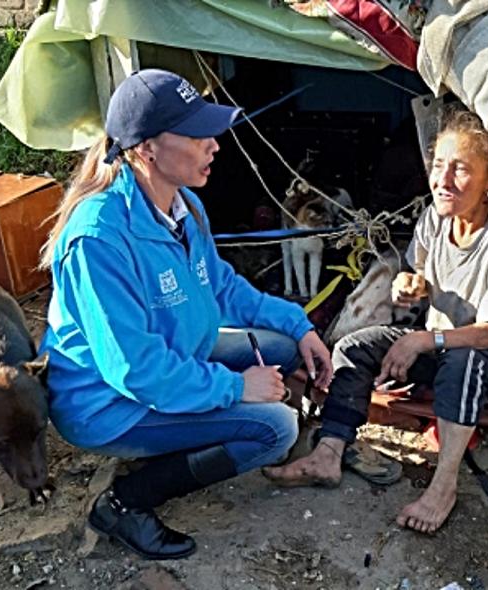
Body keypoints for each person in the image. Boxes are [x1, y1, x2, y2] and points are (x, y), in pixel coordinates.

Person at [38, 69, 333, 560]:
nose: (214, 144)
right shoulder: (98, 238)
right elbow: (135, 369)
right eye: (196, 134)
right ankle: (124, 502)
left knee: (282, 347)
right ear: (146, 148)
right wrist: (238, 388)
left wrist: (301, 326)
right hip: (111, 403)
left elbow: (222, 288)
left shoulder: (185, 205)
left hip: (175, 351)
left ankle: (193, 431)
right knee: (274, 428)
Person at [263, 106, 488, 534]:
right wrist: (409, 285)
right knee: (354, 347)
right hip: (439, 343)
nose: (443, 180)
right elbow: (419, 276)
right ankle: (329, 451)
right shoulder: (436, 217)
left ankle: (443, 485)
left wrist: (423, 341)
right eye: (438, 166)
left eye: (460, 170)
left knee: (464, 361)